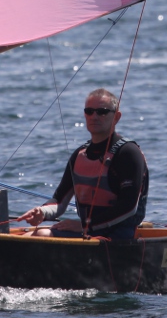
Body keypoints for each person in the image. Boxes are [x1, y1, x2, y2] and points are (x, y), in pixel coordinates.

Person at [19, 88, 149, 240]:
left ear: (116, 117)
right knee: (30, 234)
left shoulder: (128, 153)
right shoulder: (79, 155)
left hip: (119, 237)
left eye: (102, 111)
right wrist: (42, 213)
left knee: (40, 234)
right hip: (89, 232)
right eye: (89, 111)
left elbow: (129, 207)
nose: (94, 116)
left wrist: (86, 225)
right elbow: (59, 202)